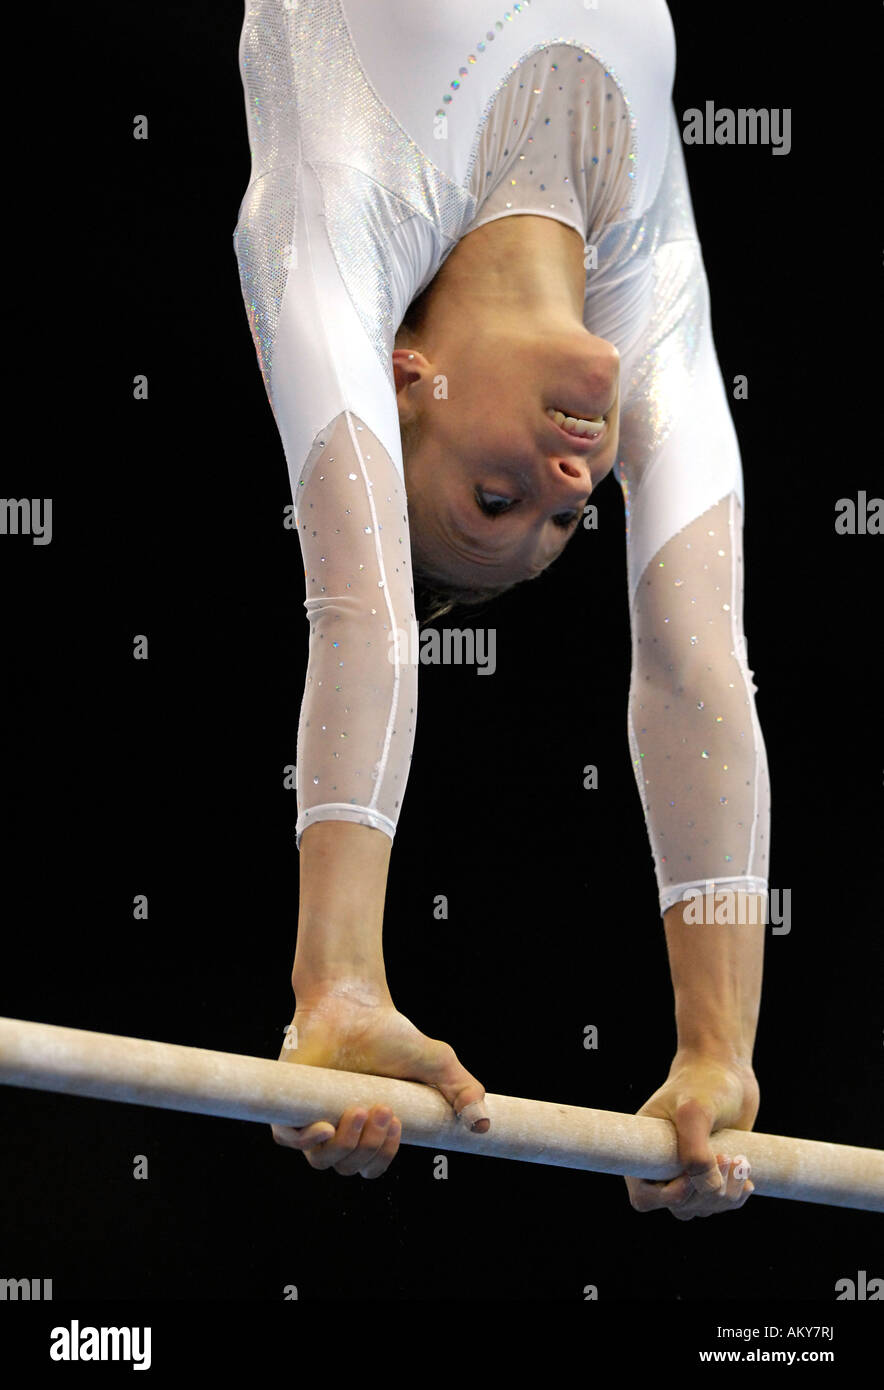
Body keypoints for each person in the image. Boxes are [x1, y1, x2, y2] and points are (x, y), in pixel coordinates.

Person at [232, 0, 769, 1218]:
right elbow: (696, 663)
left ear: (398, 381)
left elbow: (358, 602)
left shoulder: (334, 221)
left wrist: (341, 984)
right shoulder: (645, 289)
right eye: (566, 520)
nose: (570, 486)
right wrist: (715, 1053)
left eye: (493, 497)